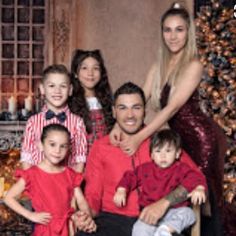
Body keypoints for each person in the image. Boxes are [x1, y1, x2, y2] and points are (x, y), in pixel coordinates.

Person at [110, 3, 227, 235]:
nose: (173, 36)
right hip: (176, 139)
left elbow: (172, 109)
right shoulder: (159, 65)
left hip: (200, 139)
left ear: (188, 32)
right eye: (168, 30)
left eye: (179, 29)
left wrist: (140, 136)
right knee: (177, 193)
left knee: (202, 200)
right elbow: (139, 98)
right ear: (162, 32)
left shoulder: (194, 64)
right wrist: (117, 124)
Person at [75, 82, 204, 236]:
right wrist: (85, 216)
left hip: (159, 219)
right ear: (114, 112)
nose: (130, 115)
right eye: (123, 108)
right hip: (113, 220)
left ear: (144, 111)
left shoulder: (162, 143)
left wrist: (164, 203)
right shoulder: (101, 146)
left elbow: (197, 178)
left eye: (136, 107)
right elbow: (93, 196)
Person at [4, 124, 96, 236]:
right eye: (52, 144)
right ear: (41, 145)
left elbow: (81, 201)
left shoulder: (70, 174)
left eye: (63, 146)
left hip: (68, 228)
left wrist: (85, 217)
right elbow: (8, 198)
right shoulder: (32, 174)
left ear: (68, 149)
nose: (57, 150)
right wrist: (30, 215)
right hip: (46, 229)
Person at [114, 129, 207, 236]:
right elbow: (130, 177)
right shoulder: (145, 169)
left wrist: (199, 188)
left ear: (177, 153)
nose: (163, 156)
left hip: (174, 212)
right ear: (152, 155)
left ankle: (165, 230)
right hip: (149, 213)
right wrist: (122, 189)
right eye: (158, 151)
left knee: (189, 214)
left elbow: (195, 177)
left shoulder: (181, 168)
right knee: (139, 229)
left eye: (168, 151)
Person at [20, 64, 87, 173]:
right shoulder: (33, 122)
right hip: (39, 183)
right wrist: (34, 183)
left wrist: (71, 184)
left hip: (65, 184)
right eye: (51, 86)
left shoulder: (77, 123)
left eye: (63, 86)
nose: (57, 91)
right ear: (42, 89)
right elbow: (27, 157)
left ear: (70, 90)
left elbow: (79, 159)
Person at [69, 49, 115, 152]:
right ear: (76, 73)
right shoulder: (70, 102)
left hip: (104, 156)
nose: (90, 73)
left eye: (95, 68)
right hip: (79, 159)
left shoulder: (107, 101)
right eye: (84, 68)